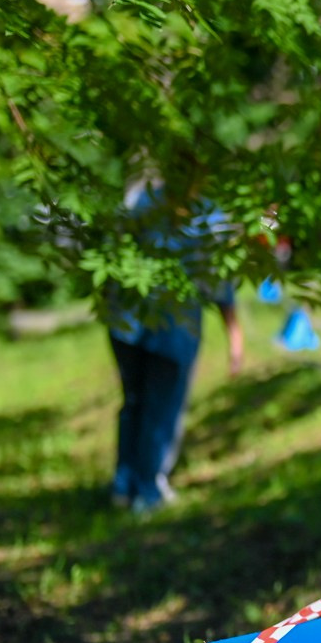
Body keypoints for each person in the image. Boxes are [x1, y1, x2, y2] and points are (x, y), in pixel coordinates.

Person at [107, 184, 244, 514]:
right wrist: (235, 335)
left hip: (125, 320)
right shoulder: (209, 213)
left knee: (135, 403)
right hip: (174, 326)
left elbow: (111, 252)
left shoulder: (140, 200)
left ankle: (123, 486)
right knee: (162, 408)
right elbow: (219, 279)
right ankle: (148, 492)